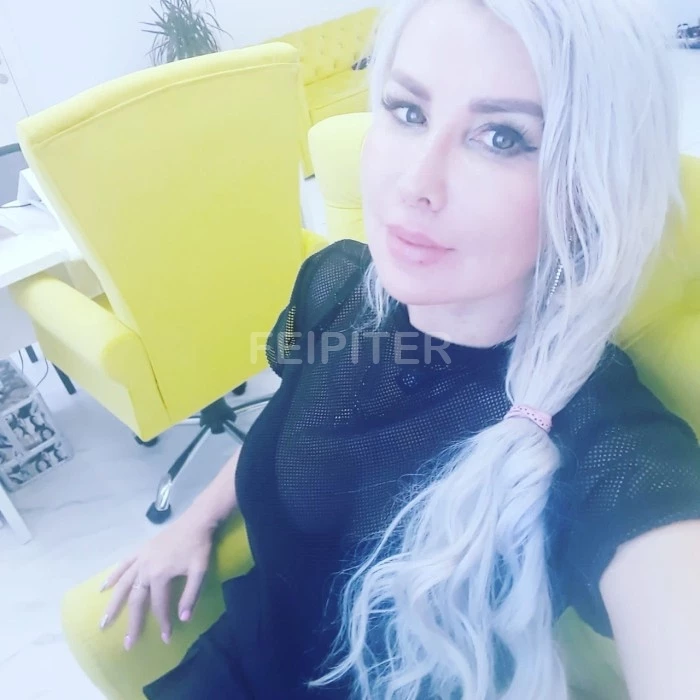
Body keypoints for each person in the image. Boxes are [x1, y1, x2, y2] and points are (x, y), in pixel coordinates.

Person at [99, 0, 700, 697]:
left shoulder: (606, 441)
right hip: (244, 663)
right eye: (408, 112)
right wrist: (197, 518)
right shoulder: (337, 285)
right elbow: (291, 416)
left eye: (502, 137)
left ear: (588, 186)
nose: (415, 183)